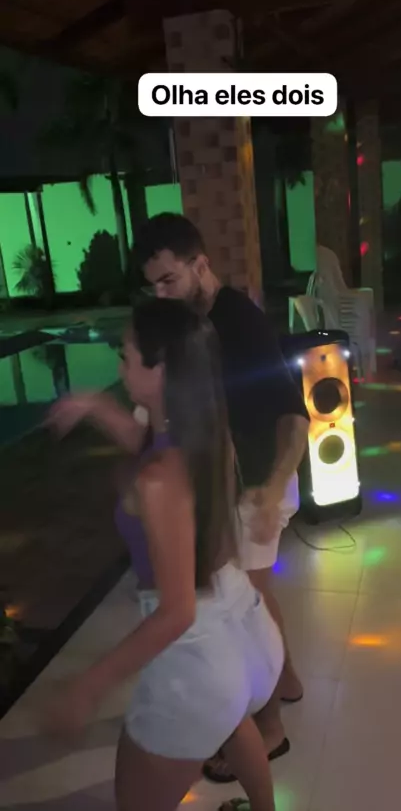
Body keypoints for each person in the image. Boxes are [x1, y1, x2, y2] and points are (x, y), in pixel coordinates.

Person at [43, 298, 284, 811]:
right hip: (247, 628)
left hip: (198, 656)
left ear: (161, 372)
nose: (119, 367)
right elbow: (147, 441)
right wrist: (94, 406)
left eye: (126, 356)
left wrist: (88, 686)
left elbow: (177, 613)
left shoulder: (158, 481)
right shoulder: (208, 432)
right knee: (230, 719)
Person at [133, 213, 310, 783]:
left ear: (200, 264)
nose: (161, 294)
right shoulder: (188, 324)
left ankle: (271, 728)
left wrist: (273, 488)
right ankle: (286, 682)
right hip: (230, 483)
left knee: (246, 607)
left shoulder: (240, 322)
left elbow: (295, 415)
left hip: (261, 482)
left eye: (168, 280)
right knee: (250, 600)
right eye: (152, 286)